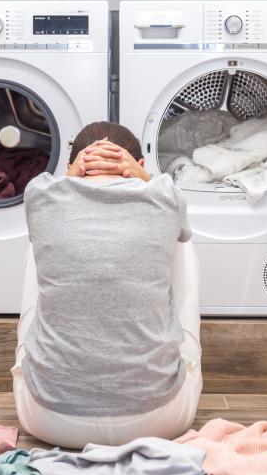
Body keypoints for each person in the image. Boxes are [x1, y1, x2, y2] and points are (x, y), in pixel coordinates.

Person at [11, 121, 202, 448]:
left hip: (48, 419)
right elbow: (175, 214)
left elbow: (58, 188)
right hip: (161, 418)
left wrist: (72, 176)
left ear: (72, 165)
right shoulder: (167, 196)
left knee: (39, 244)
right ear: (139, 165)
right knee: (182, 241)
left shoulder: (41, 195)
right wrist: (145, 180)